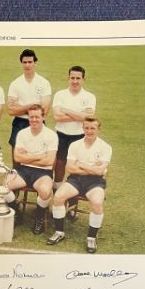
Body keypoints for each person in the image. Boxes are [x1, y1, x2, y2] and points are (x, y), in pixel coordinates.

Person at [0, 105, 58, 234]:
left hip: (43, 172)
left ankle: (39, 218)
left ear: (43, 117)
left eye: (37, 116)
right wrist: (39, 156)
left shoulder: (51, 135)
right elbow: (18, 157)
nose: (34, 119)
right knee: (1, 184)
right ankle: (15, 210)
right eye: (31, 117)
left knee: (44, 190)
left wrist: (28, 156)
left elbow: (49, 161)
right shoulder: (22, 133)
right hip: (23, 170)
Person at [47, 118, 112, 253]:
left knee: (97, 202)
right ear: (82, 129)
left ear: (98, 129)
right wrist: (92, 167)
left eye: (92, 128)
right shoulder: (75, 145)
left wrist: (81, 164)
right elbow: (70, 168)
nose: (89, 131)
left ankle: (91, 238)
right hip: (75, 180)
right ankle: (59, 232)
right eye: (86, 128)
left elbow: (100, 172)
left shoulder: (105, 147)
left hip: (95, 182)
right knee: (58, 197)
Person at [52, 66, 96, 200]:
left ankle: (72, 200)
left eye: (78, 78)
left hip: (79, 136)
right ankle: (57, 192)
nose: (75, 81)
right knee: (59, 163)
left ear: (83, 79)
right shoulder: (60, 94)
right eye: (72, 78)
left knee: (76, 166)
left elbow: (88, 118)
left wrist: (65, 109)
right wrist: (80, 115)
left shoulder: (89, 97)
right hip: (61, 134)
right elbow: (57, 117)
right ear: (68, 78)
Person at [7, 49, 51, 165]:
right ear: (21, 63)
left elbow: (45, 110)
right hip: (19, 123)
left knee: (39, 157)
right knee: (17, 159)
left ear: (35, 62)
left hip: (39, 123)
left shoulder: (44, 83)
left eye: (30, 62)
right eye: (25, 62)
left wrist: (21, 108)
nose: (27, 65)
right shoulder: (15, 83)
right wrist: (33, 105)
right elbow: (11, 110)